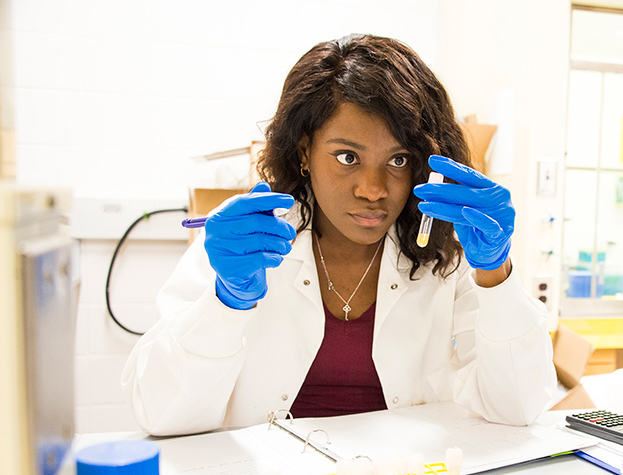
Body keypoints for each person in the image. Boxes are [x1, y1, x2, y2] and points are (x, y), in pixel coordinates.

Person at [122, 34, 556, 436]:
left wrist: (496, 274)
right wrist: (226, 302)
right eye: (348, 156)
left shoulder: (446, 256)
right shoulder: (247, 245)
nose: (373, 189)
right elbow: (160, 414)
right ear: (304, 151)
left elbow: (518, 408)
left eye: (399, 161)